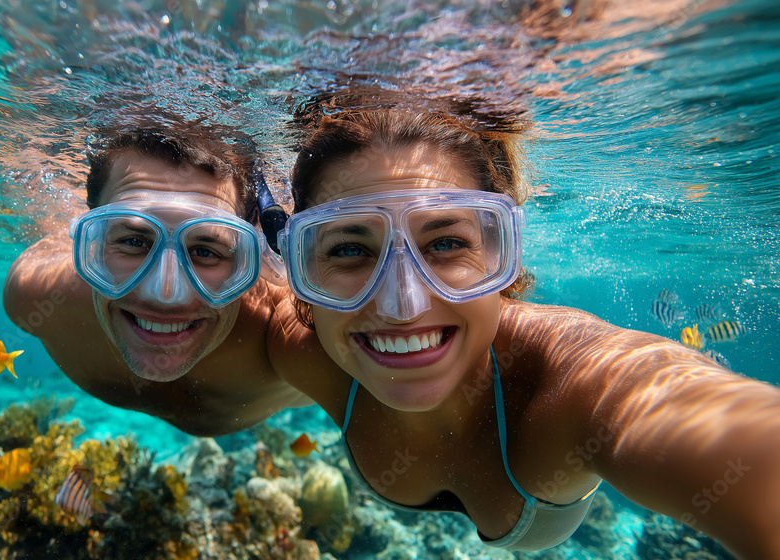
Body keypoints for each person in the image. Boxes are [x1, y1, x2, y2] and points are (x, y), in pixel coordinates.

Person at [266, 105, 780, 557]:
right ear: (299, 268)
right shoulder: (292, 344)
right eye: (349, 249)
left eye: (446, 244)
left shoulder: (575, 380)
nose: (403, 306)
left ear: (503, 252)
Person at [3, 126, 312, 437]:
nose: (165, 294)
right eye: (134, 242)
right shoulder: (36, 294)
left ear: (254, 257)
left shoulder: (290, 336)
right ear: (91, 245)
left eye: (205, 251)